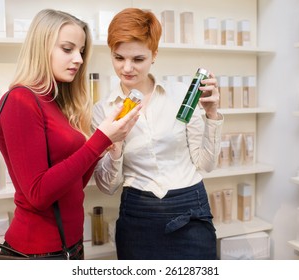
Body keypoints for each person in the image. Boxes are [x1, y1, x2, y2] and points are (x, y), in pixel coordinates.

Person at [0, 9, 140, 260]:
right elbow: (39, 194)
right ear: (42, 47)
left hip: (70, 247)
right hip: (36, 253)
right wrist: (99, 141)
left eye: (81, 51)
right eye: (67, 49)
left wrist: (107, 144)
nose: (79, 59)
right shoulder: (20, 100)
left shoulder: (56, 102)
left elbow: (73, 185)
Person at [92, 8, 224, 260]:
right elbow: (108, 187)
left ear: (154, 55)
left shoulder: (181, 96)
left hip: (190, 210)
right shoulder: (104, 110)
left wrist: (212, 114)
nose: (127, 68)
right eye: (119, 58)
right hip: (138, 215)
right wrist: (116, 144)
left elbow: (206, 164)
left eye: (138, 59)